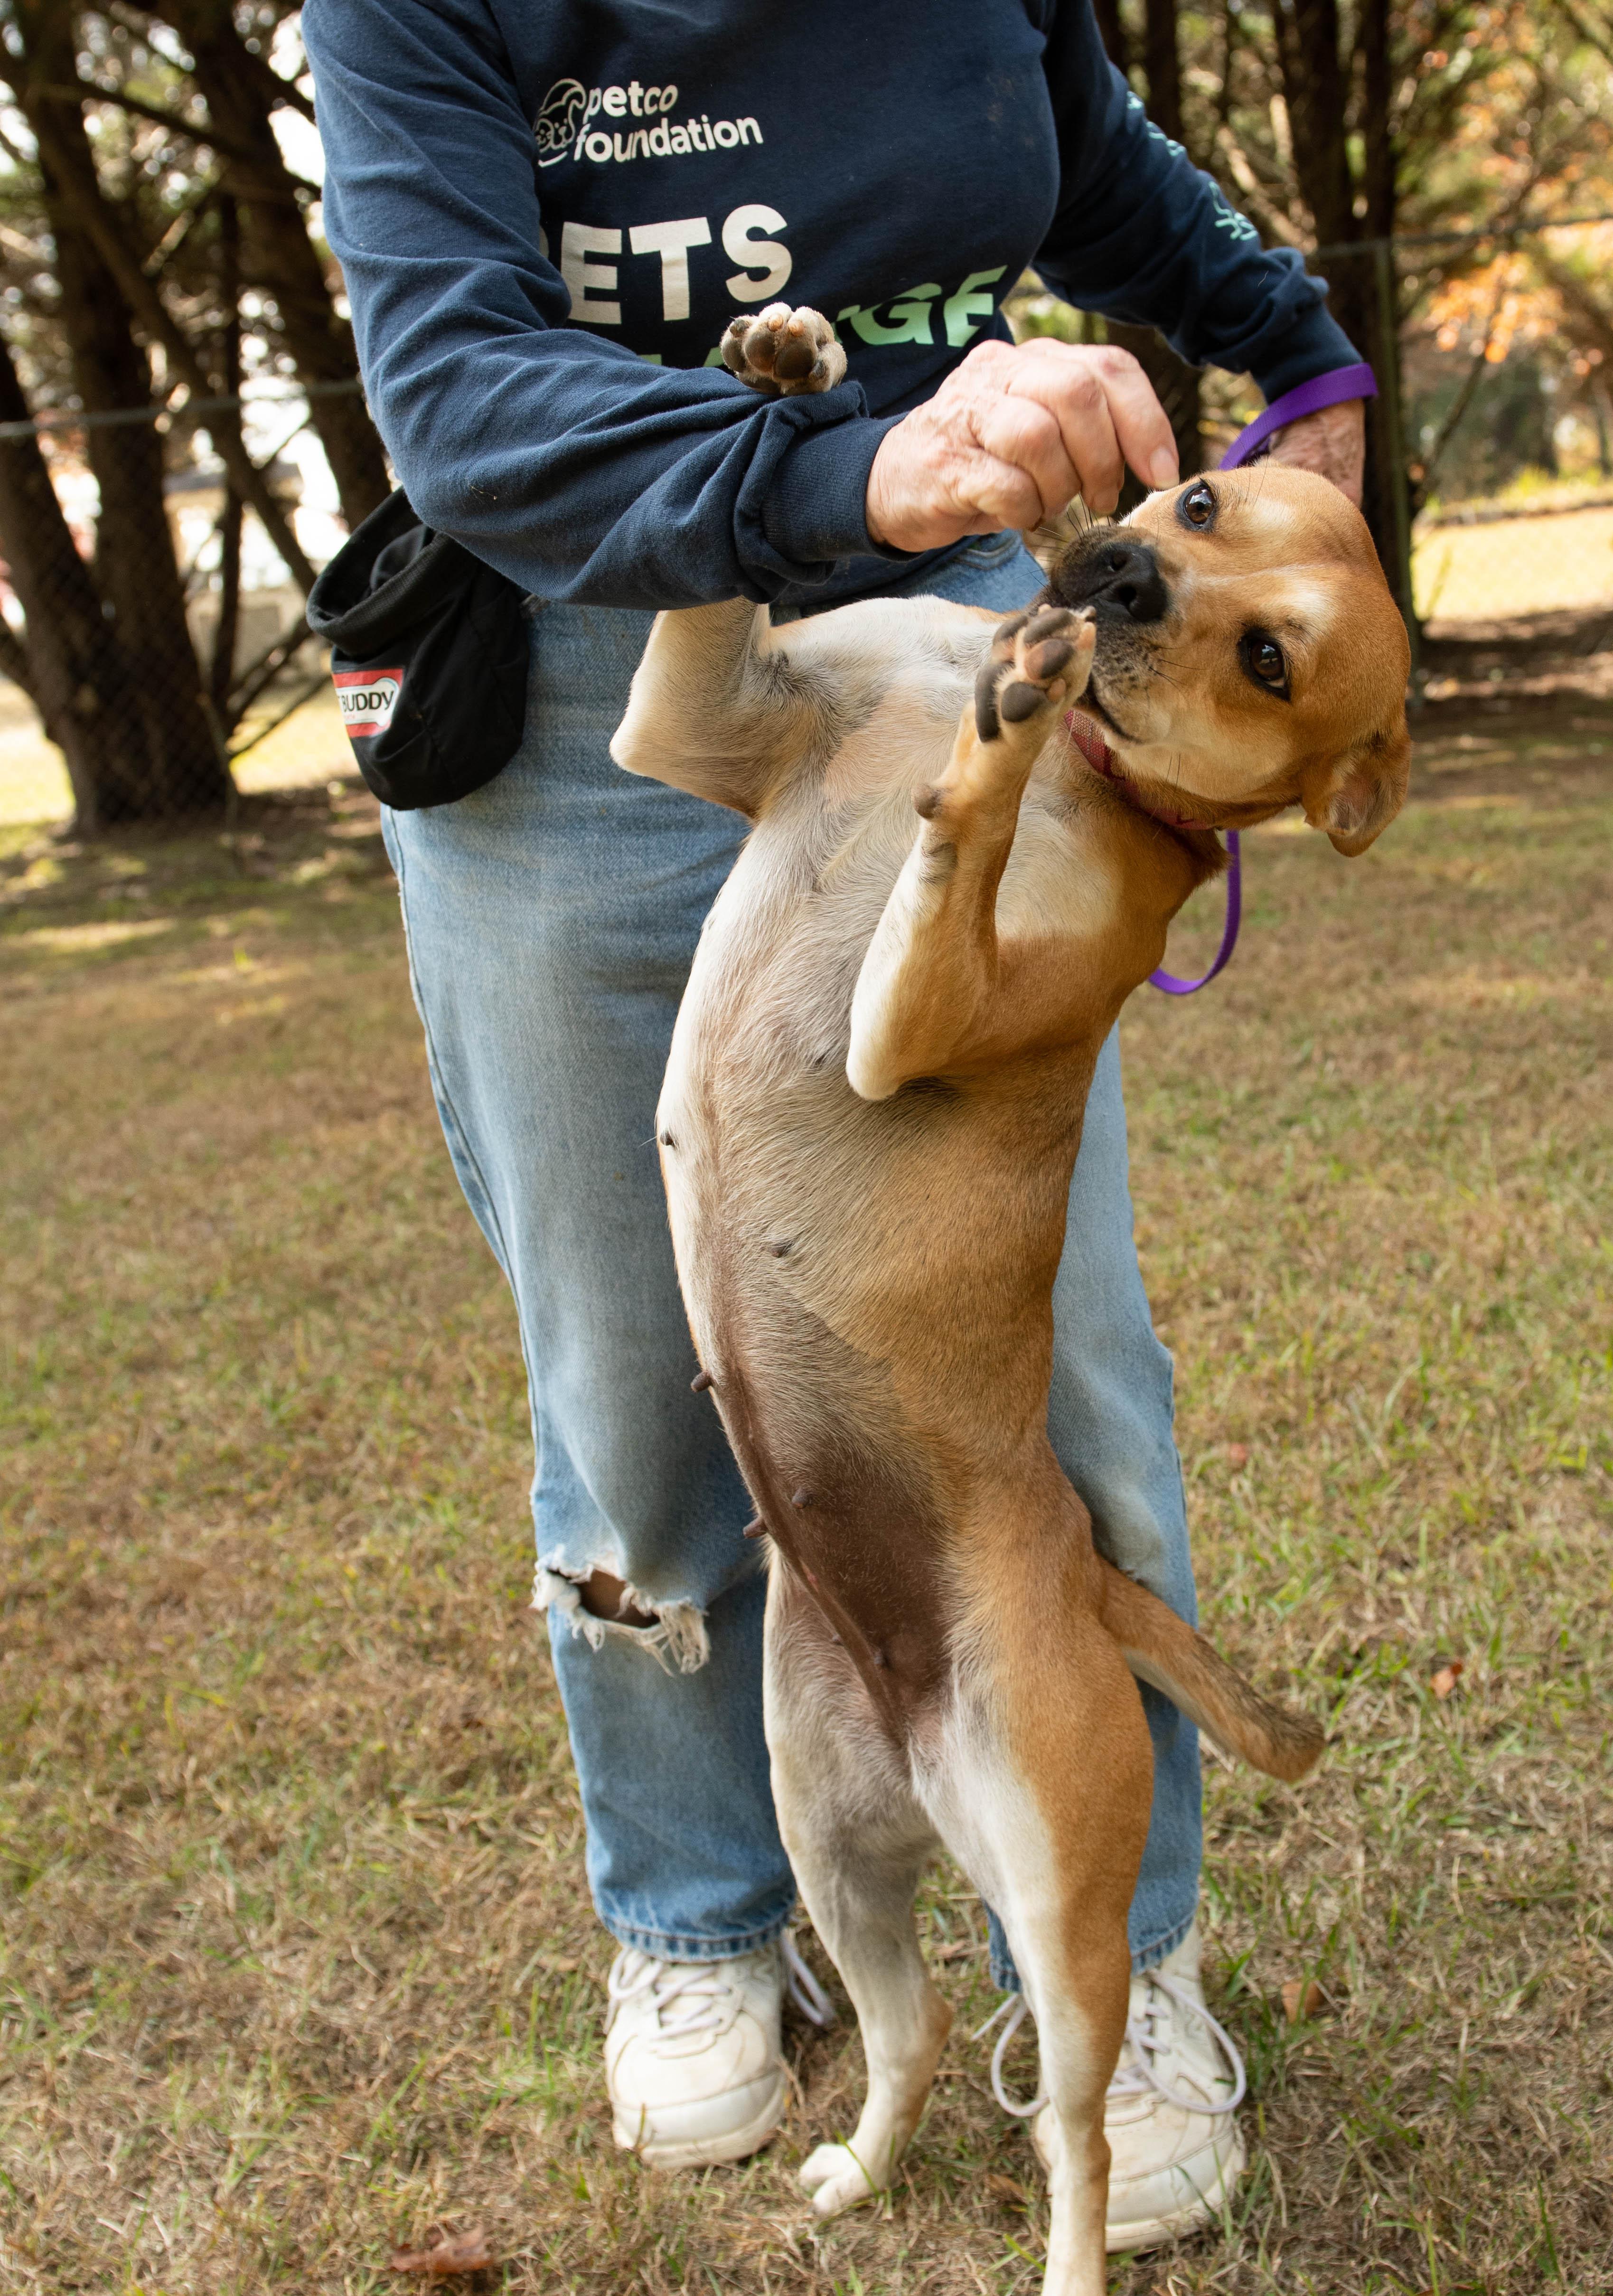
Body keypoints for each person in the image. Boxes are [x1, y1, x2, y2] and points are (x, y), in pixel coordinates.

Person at [303, 0, 1368, 2251]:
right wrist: (845, 468)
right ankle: (698, 1920)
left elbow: (1093, 165)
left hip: (967, 614)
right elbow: (462, 394)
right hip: (582, 639)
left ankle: (1110, 1962)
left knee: (1057, 1374)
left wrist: (1303, 360)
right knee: (636, 1371)